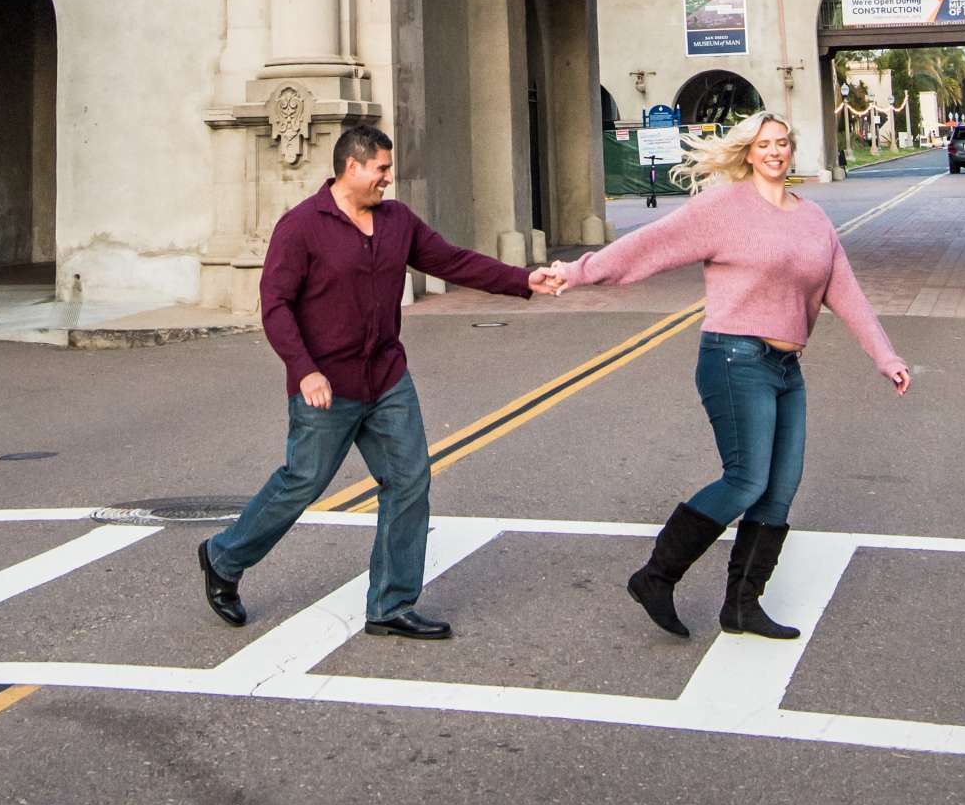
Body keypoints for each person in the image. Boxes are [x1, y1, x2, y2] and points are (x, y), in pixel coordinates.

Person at [549, 110, 909, 643]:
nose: (774, 151)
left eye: (783, 142)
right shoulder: (723, 207)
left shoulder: (812, 219)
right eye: (764, 143)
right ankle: (656, 576)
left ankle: (742, 605)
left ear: (791, 150)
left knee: (779, 490)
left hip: (787, 368)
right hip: (734, 358)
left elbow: (844, 290)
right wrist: (577, 272)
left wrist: (885, 355)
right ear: (747, 152)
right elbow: (650, 246)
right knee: (746, 479)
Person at [198, 123, 562, 639]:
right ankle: (223, 557)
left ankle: (391, 604)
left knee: (409, 480)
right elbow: (275, 305)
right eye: (382, 169)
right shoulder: (302, 226)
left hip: (386, 377)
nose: (388, 179)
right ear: (353, 166)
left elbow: (453, 261)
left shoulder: (397, 223)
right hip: (327, 382)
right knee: (302, 482)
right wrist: (304, 369)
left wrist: (522, 279)